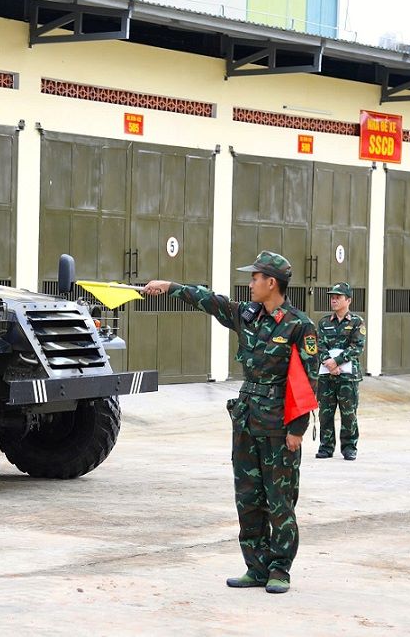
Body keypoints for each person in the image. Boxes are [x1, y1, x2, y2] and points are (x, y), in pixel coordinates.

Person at [141, 251, 318, 594]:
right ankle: (256, 566)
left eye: (254, 278)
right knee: (248, 498)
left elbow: (309, 381)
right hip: (247, 418)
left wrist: (297, 429)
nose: (249, 283)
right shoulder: (247, 315)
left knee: (279, 500)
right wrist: (170, 286)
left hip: (279, 424)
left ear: (271, 283)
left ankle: (280, 569)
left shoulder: (299, 325)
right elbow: (211, 301)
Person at [315, 282, 366, 461]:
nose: (334, 300)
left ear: (348, 300)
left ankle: (349, 447)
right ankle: (326, 447)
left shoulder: (356, 322)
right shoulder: (323, 322)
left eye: (338, 297)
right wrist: (328, 364)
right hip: (326, 376)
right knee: (325, 412)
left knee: (348, 413)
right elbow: (318, 345)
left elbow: (357, 347)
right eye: (332, 297)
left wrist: (336, 362)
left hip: (348, 377)